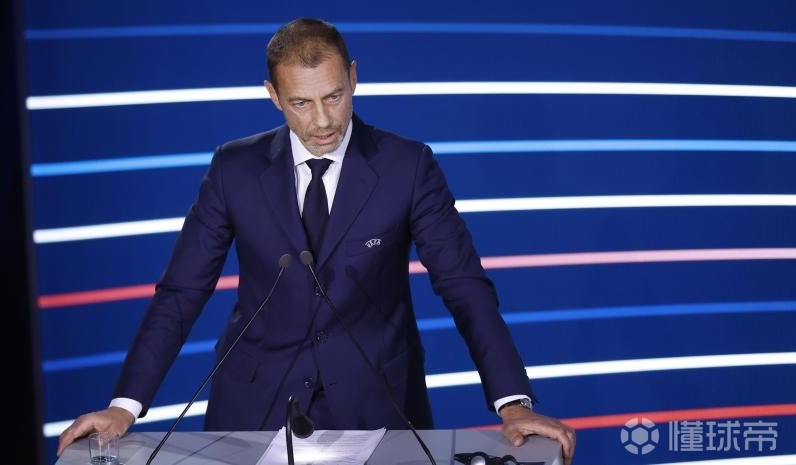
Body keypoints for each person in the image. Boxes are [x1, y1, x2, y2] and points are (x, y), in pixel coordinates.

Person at [58, 18, 576, 464]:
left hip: (377, 407)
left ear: (353, 77)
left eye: (334, 96)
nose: (323, 120)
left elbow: (463, 285)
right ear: (273, 96)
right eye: (301, 103)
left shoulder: (408, 167)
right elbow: (181, 292)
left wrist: (513, 402)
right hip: (253, 408)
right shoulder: (234, 169)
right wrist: (124, 406)